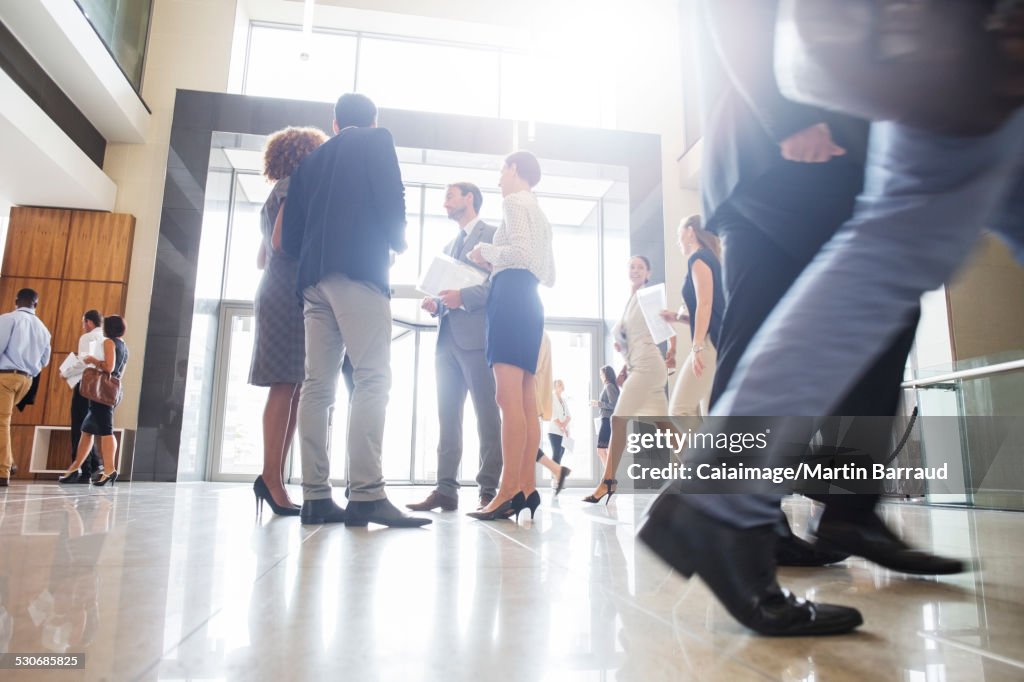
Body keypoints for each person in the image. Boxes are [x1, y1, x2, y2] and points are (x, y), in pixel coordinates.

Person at [637, 0, 966, 637]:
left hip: (791, 152)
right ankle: (752, 516)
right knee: (869, 310)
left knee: (795, 331)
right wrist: (785, 111)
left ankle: (796, 514)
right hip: (799, 143)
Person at [281, 92, 429, 528]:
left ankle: (314, 497)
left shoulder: (309, 163)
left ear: (334, 122)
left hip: (312, 281)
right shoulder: (376, 139)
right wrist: (397, 243)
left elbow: (290, 238)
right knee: (372, 376)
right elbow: (391, 194)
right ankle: (366, 494)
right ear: (373, 120)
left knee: (317, 385)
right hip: (358, 270)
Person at [466, 150, 556, 521]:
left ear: (515, 169)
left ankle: (506, 491)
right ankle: (525, 488)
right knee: (524, 399)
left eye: (502, 169)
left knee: (507, 398)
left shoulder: (514, 203)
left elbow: (516, 251)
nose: (499, 177)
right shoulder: (540, 213)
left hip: (511, 298)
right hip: (530, 299)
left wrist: (484, 251)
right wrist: (500, 258)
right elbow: (549, 273)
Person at [408, 182, 503, 512]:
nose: (444, 203)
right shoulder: (449, 245)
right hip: (445, 340)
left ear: (469, 198)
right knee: (448, 418)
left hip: (477, 339)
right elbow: (445, 290)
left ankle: (489, 489)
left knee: (487, 416)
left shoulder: (494, 235)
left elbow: (498, 285)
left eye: (450, 196)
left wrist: (464, 297)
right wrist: (437, 304)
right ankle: (445, 489)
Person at [249, 125, 327, 517]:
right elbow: (281, 244)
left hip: (276, 287)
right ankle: (271, 478)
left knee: (292, 385)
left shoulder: (278, 189)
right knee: (285, 385)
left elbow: (262, 257)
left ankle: (275, 476)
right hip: (287, 293)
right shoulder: (295, 188)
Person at [585, 256, 677, 504]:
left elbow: (667, 325)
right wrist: (625, 368)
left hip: (648, 366)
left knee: (617, 420)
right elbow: (631, 340)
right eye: (631, 266)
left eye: (640, 267)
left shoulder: (647, 296)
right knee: (664, 425)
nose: (635, 270)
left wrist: (673, 351)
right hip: (640, 366)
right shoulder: (630, 302)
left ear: (648, 273)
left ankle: (608, 481)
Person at [661, 216, 724, 418]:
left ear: (690, 232)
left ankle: (697, 451)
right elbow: (709, 308)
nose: (677, 239)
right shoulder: (710, 258)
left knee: (679, 411)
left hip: (708, 343)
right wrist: (678, 318)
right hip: (717, 343)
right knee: (708, 414)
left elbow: (705, 305)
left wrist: (697, 347)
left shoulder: (698, 259)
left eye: (679, 232)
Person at [61, 315, 127, 486]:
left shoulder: (109, 342)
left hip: (101, 393)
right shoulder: (123, 345)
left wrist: (93, 360)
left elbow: (109, 367)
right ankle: (75, 467)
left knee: (106, 430)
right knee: (87, 430)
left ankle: (110, 469)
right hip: (110, 391)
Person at [0, 289, 51, 487]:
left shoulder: (9, 319)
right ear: (35, 305)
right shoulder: (43, 329)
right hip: (26, 381)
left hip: (5, 377)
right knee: (4, 422)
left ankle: (3, 471)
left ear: (16, 301)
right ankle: (9, 461)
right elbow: (44, 361)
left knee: (2, 423)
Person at [61, 310, 105, 484]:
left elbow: (84, 361)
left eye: (83, 323)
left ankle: (81, 470)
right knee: (88, 427)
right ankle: (94, 465)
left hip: (84, 384)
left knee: (79, 426)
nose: (83, 326)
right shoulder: (105, 338)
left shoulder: (87, 338)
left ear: (89, 322)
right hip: (98, 387)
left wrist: (66, 372)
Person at [533, 334, 571, 498]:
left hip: (558, 427)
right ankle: (556, 471)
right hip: (554, 428)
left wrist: (565, 426)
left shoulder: (540, 338)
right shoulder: (554, 397)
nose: (561, 387)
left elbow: (567, 414)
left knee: (523, 443)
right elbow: (557, 414)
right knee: (524, 444)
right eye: (560, 384)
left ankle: (556, 471)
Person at [590, 365, 619, 469]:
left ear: (606, 375)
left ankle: (609, 477)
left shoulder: (609, 386)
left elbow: (614, 405)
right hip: (605, 420)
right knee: (604, 450)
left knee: (601, 450)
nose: (601, 377)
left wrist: (598, 404)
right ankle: (609, 478)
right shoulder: (609, 386)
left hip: (607, 421)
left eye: (601, 374)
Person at [547, 379, 571, 465]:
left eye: (561, 384)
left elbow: (568, 416)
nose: (561, 386)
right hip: (554, 431)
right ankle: (554, 476)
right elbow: (554, 416)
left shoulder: (563, 400)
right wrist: (562, 426)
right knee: (556, 453)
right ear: (554, 387)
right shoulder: (552, 398)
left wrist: (564, 427)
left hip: (563, 432)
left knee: (561, 453)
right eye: (558, 385)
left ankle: (556, 474)